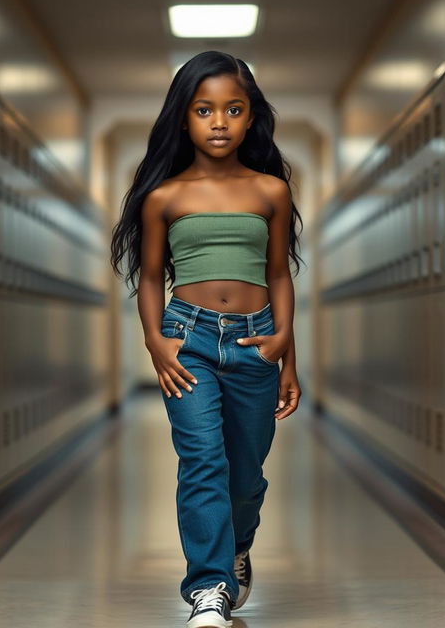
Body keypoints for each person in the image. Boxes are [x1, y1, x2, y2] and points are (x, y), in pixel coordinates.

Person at [110, 50, 303, 628]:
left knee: (245, 476)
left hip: (255, 344)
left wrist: (287, 353)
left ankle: (236, 548)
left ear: (251, 118)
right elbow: (149, 277)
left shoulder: (271, 191)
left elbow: (278, 275)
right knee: (201, 464)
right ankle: (209, 588)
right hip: (187, 340)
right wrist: (154, 341)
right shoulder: (163, 197)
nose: (219, 122)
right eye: (204, 109)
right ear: (184, 118)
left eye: (233, 109)